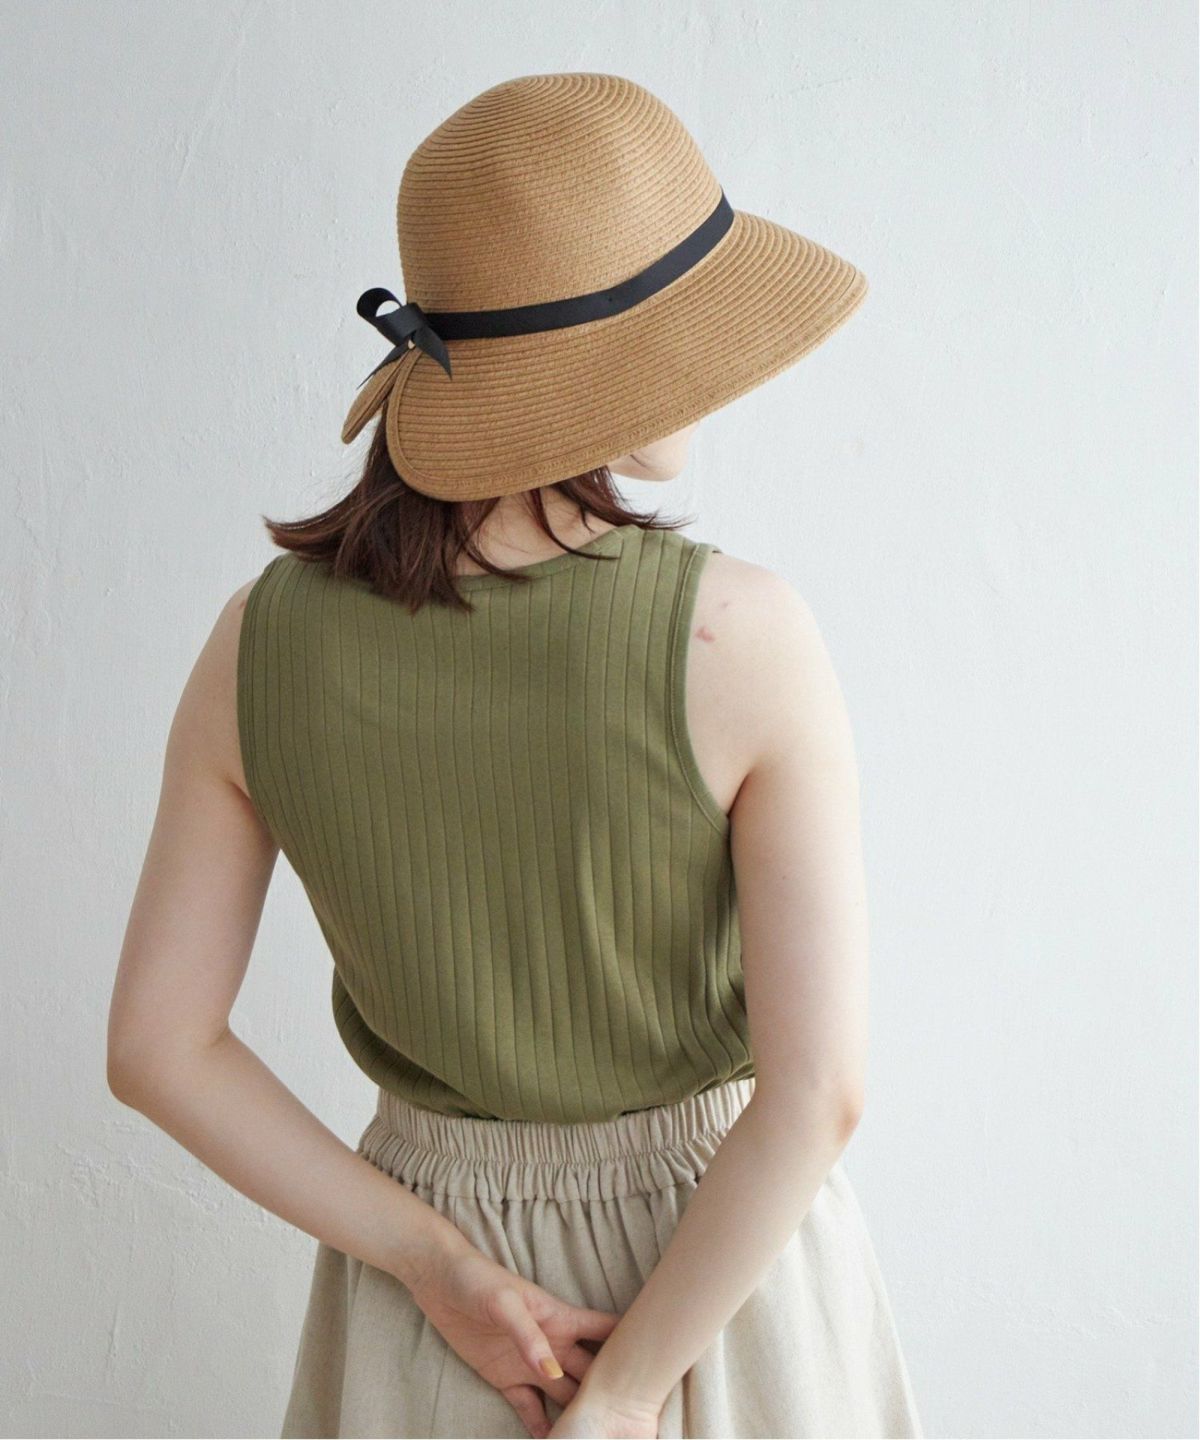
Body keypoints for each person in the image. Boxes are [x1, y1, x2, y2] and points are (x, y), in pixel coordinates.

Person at [106, 72, 923, 1440]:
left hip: (435, 1307)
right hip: (719, 1287)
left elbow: (156, 1048)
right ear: (595, 369)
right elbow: (815, 1095)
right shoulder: (741, 637)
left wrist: (433, 1259)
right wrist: (629, 1393)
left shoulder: (254, 643)